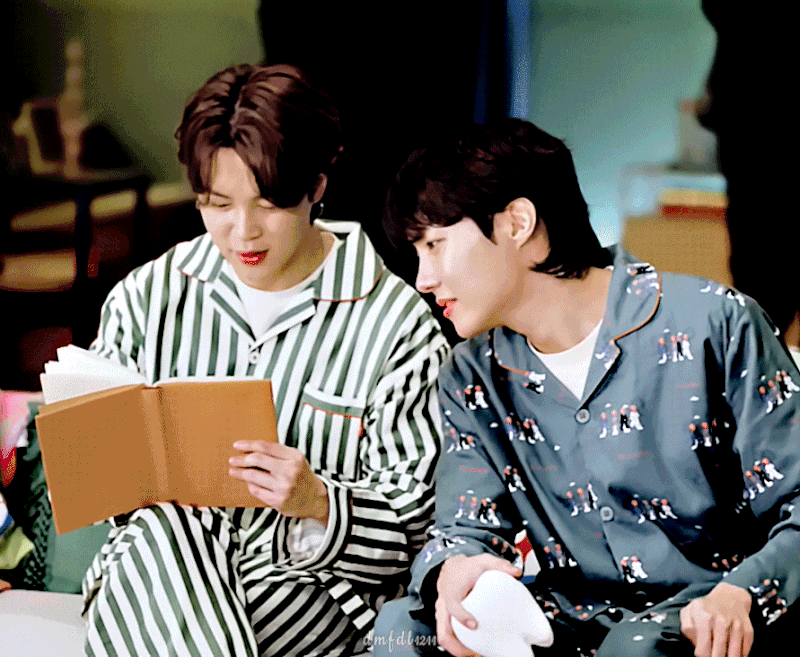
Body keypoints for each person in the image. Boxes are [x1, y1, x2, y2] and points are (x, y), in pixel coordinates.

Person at [373, 118, 800, 657]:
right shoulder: (470, 374)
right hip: (570, 620)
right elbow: (466, 525)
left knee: (635, 648)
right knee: (401, 627)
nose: (423, 279)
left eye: (435, 244)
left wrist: (742, 594)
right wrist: (456, 567)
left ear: (518, 223)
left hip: (712, 618)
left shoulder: (715, 324)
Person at [80, 63, 449, 657]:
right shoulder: (147, 299)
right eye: (217, 204)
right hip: (155, 573)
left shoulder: (396, 327)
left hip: (308, 591)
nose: (243, 232)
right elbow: (99, 495)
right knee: (163, 532)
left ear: (317, 186)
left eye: (268, 204)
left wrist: (318, 501)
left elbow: (418, 532)